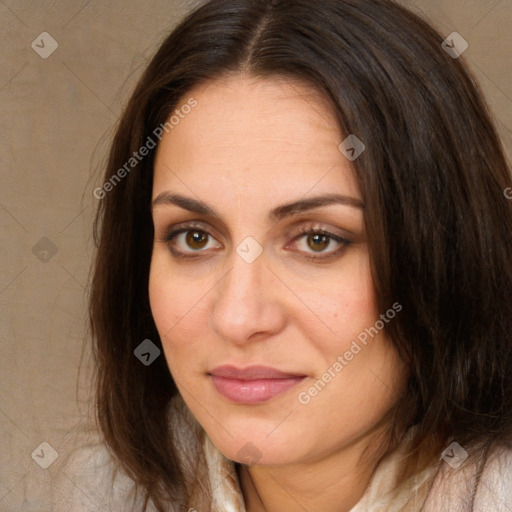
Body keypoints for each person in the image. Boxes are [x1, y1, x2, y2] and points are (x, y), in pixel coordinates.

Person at [52, 0, 512, 510]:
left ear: (445, 256)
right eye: (195, 237)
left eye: (318, 239)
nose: (237, 317)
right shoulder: (95, 494)